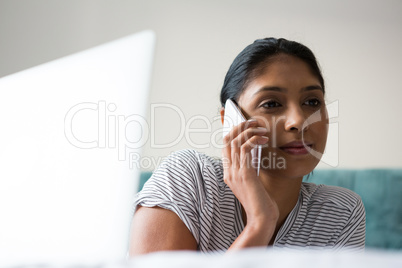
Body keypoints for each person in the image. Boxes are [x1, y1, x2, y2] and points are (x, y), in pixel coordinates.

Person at [129, 37, 366, 255]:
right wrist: (260, 223)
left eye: (312, 102)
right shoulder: (189, 178)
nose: (298, 121)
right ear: (230, 120)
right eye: (271, 103)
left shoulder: (341, 212)